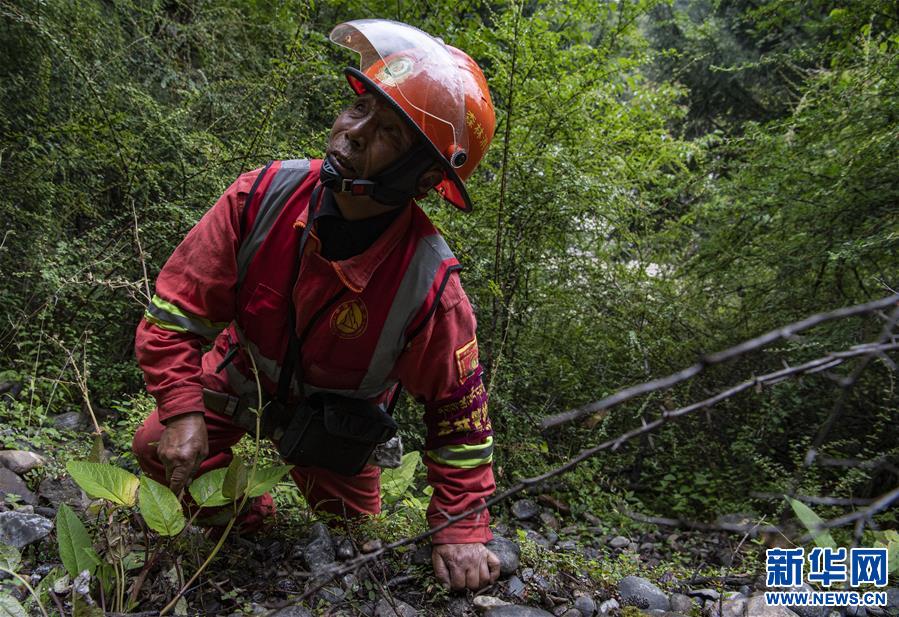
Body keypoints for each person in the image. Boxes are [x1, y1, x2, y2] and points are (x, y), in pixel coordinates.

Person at [131, 19, 501, 592]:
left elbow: (460, 419)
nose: (353, 132)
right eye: (360, 109)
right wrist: (181, 411)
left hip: (336, 425)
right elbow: (174, 314)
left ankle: (328, 518)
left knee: (351, 538)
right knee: (157, 445)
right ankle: (251, 525)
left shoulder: (430, 285)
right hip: (241, 381)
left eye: (388, 133)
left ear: (426, 176)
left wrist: (461, 527)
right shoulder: (261, 196)